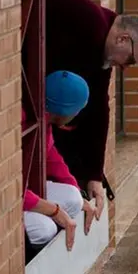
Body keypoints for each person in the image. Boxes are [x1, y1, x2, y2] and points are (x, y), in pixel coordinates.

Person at [44, 0, 138, 219]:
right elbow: (79, 107)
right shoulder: (91, 28)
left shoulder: (102, 38)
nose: (126, 68)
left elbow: (98, 108)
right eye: (131, 60)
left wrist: (94, 174)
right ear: (123, 39)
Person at [24, 71, 96, 252]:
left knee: (73, 199)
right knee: (43, 228)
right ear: (68, 110)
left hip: (25, 193)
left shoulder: (43, 121)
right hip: (8, 200)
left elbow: (52, 157)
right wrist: (54, 211)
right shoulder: (24, 123)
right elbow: (8, 189)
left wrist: (79, 195)